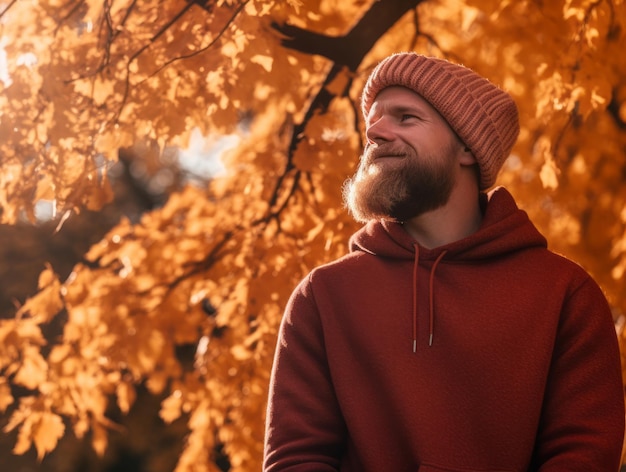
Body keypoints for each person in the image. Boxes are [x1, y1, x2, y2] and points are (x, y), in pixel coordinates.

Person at [263, 52, 625, 471]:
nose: (376, 132)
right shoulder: (322, 296)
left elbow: (583, 455)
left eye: (405, 118)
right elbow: (296, 458)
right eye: (373, 123)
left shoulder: (565, 293)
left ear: (468, 148)